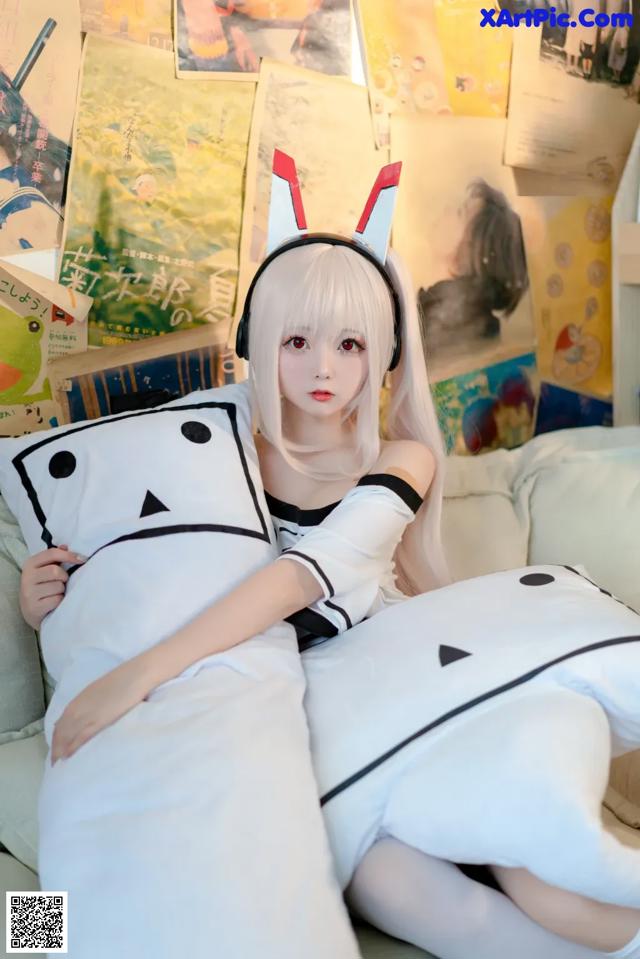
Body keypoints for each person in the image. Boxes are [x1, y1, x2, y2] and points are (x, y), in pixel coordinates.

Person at [20, 241, 640, 957]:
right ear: (258, 341)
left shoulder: (399, 458)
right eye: (296, 339)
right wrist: (48, 603)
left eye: (350, 344)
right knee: (398, 890)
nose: (323, 368)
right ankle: (38, 943)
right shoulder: (211, 440)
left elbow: (303, 575)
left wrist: (134, 675)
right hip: (288, 715)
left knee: (538, 867)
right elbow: (140, 566)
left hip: (406, 680)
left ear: (382, 353)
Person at [417, 178, 529, 370]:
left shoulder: (449, 330)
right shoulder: (447, 313)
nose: (447, 209)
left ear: (472, 254)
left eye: (461, 212)